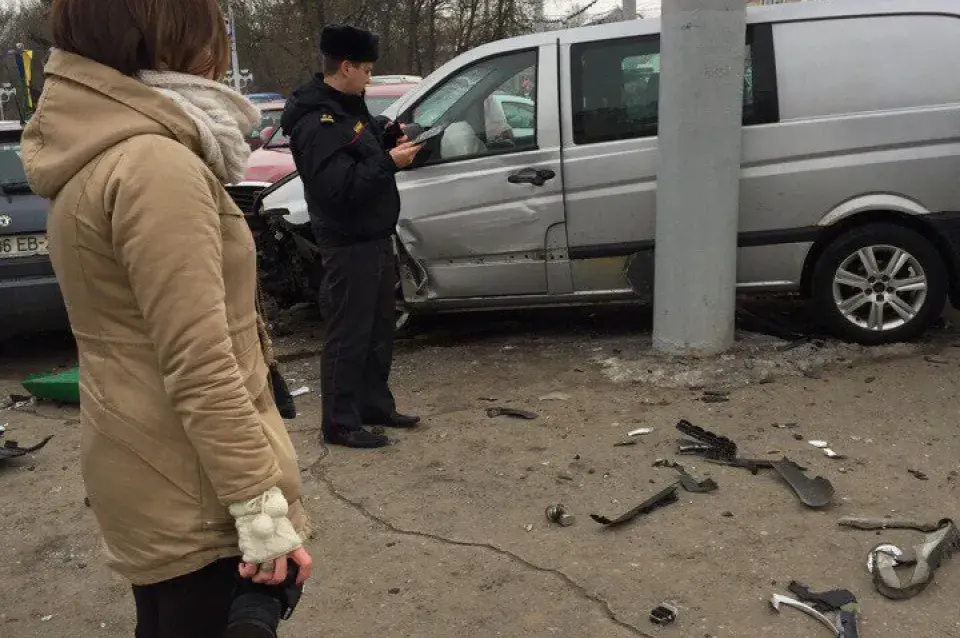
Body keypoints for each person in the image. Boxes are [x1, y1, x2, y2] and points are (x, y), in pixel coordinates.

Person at [21, 0, 312, 635]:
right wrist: (262, 513)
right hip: (194, 485)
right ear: (172, 36)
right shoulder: (155, 165)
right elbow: (199, 362)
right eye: (209, 30)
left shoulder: (99, 150)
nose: (217, 54)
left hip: (146, 460)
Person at [282, 25, 423, 449]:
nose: (369, 78)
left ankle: (374, 405)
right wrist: (390, 163)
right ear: (345, 67)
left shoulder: (347, 108)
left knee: (378, 330)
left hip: (373, 237)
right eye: (365, 70)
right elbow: (338, 189)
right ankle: (340, 423)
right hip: (347, 243)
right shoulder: (317, 121)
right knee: (350, 334)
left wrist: (387, 141)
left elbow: (360, 149)